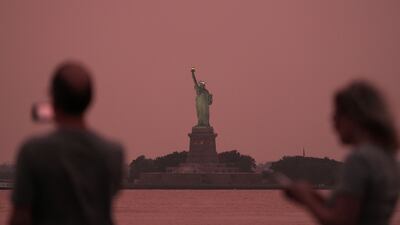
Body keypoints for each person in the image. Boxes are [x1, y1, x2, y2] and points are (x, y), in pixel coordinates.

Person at [9, 62, 124, 225]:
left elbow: (20, 217)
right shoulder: (113, 153)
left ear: (54, 99)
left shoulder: (32, 151)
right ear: (89, 99)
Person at [284, 80, 399, 225]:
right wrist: (311, 195)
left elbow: (341, 221)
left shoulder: (359, 159)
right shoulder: (388, 159)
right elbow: (355, 212)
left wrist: (307, 200)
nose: (333, 120)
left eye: (338, 113)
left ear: (356, 116)